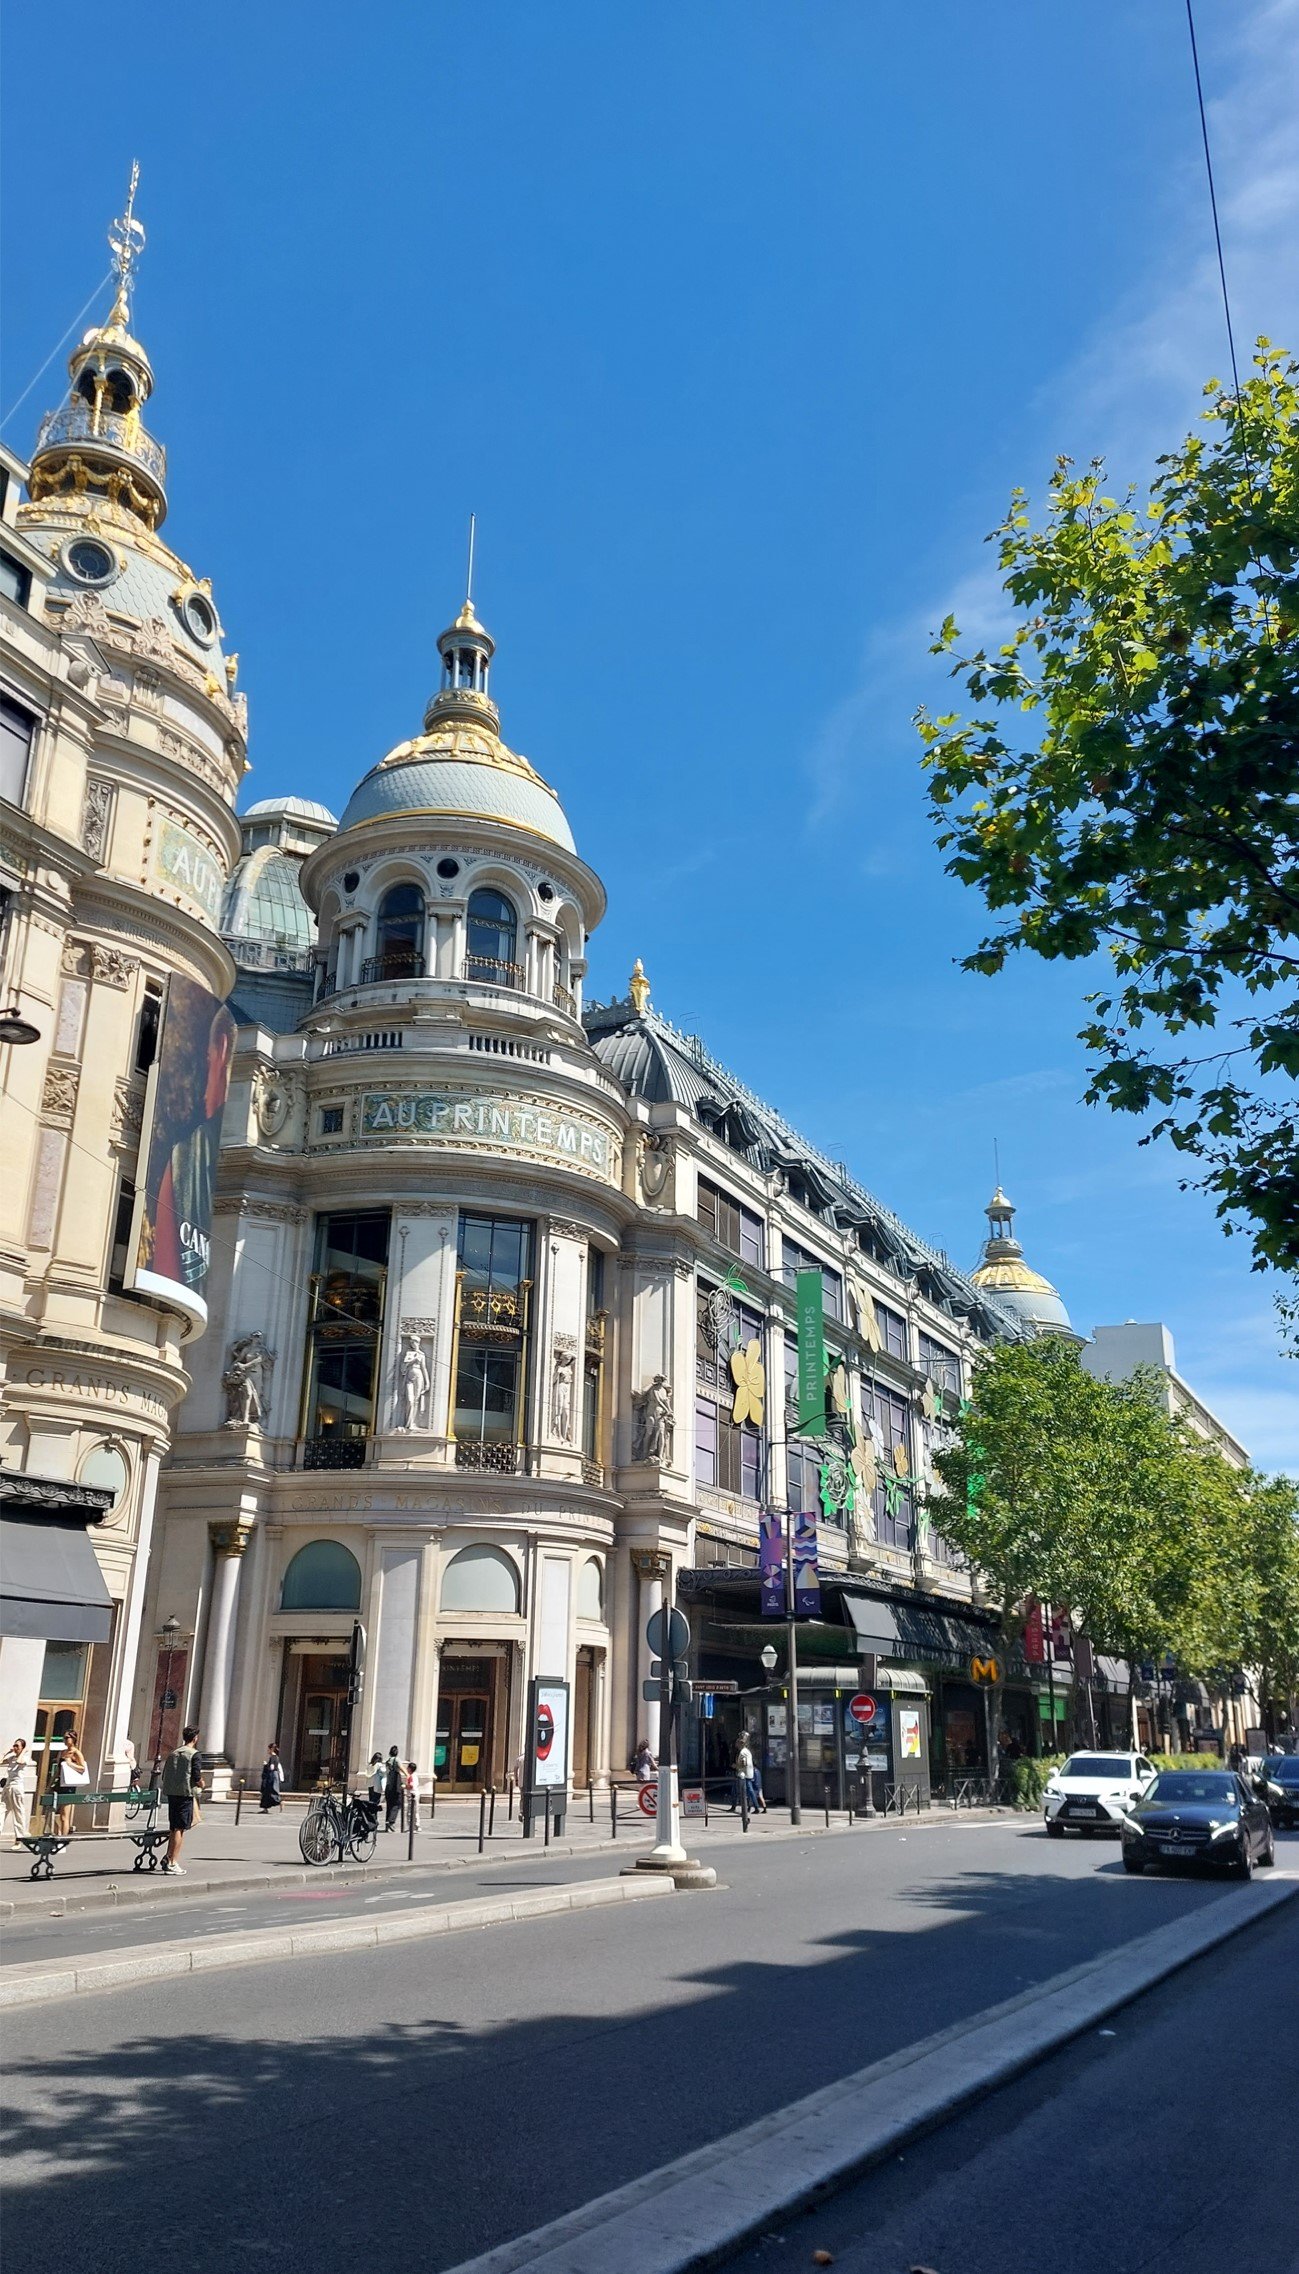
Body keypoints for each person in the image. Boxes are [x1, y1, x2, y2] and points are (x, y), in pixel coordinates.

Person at [160, 1724, 203, 1875]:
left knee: (173, 1827)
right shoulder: (194, 1754)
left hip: (172, 1793)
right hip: (185, 1794)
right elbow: (196, 1776)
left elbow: (165, 1774)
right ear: (195, 1738)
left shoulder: (174, 1753)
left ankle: (168, 1857)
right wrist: (201, 1783)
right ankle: (173, 1862)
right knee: (180, 1829)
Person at [55, 1730, 90, 1836]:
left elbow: (82, 1768)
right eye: (64, 1738)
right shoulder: (62, 1752)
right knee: (51, 1811)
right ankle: (58, 1834)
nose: (65, 1740)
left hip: (69, 1786)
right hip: (59, 1783)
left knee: (64, 1815)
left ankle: (63, 1838)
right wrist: (50, 1784)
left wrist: (70, 1764)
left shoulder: (76, 1753)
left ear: (73, 1739)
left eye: (67, 1737)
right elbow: (57, 1771)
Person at [1, 1738, 31, 1846]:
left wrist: (23, 1751)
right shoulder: (11, 1758)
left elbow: (19, 1761)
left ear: (22, 1748)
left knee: (18, 1812)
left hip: (16, 1787)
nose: (15, 1748)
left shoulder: (25, 1758)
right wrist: (7, 1753)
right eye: (14, 1745)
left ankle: (19, 1839)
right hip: (7, 1787)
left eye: (17, 1746)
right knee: (1, 1810)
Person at [383, 1745, 405, 1832]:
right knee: (397, 1804)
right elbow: (402, 1768)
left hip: (389, 1785)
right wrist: (408, 1775)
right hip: (396, 1784)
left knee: (389, 1805)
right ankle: (391, 1821)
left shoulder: (387, 1761)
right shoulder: (397, 1760)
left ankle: (387, 1825)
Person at [259, 1743, 285, 1812]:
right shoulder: (276, 1757)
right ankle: (265, 1808)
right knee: (267, 1792)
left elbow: (272, 1768)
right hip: (273, 1775)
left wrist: (265, 1765)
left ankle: (280, 1801)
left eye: (268, 1749)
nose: (267, 1751)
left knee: (271, 1791)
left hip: (271, 1776)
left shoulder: (273, 1758)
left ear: (271, 1749)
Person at [406, 1761, 421, 1833]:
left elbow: (411, 1786)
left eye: (408, 1767)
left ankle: (412, 1827)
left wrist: (404, 1786)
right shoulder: (415, 1775)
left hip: (412, 1794)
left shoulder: (411, 1776)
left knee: (410, 1811)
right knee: (416, 1811)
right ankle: (417, 1825)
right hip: (416, 1794)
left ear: (410, 1769)